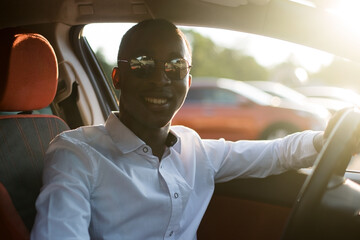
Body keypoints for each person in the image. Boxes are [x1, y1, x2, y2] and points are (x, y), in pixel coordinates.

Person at [31, 18, 325, 239]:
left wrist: (327, 140)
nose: (161, 79)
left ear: (188, 81)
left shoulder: (195, 149)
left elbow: (276, 153)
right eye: (142, 64)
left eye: (175, 66)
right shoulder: (77, 153)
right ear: (118, 78)